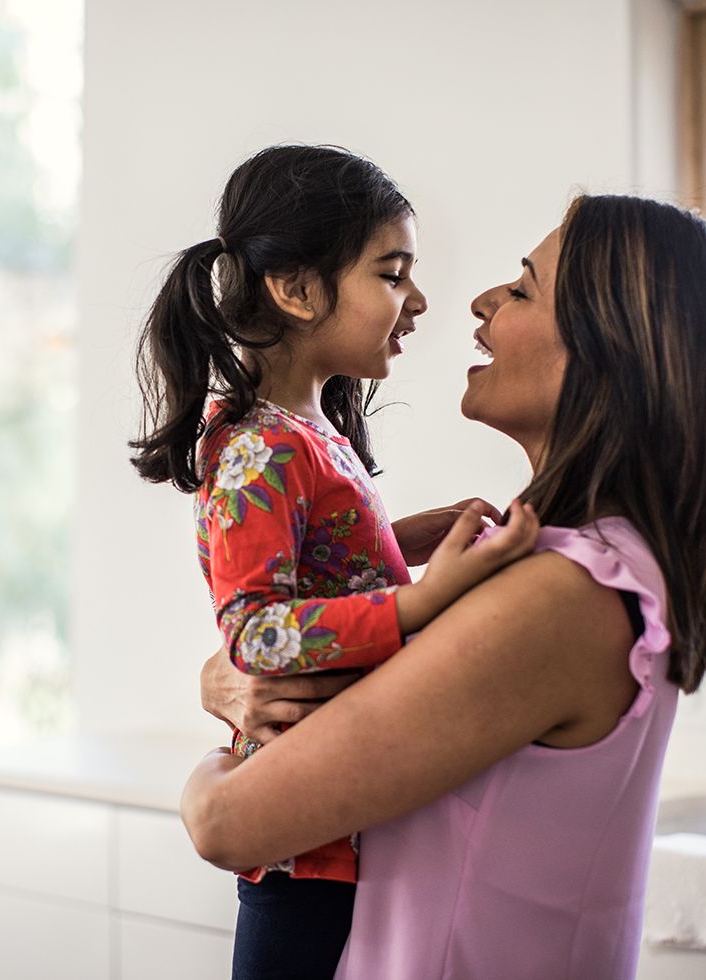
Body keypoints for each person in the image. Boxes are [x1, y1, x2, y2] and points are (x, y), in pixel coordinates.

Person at [183, 194, 706, 979]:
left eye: (523, 290)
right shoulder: (573, 566)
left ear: (609, 352)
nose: (481, 302)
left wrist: (208, 771)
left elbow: (227, 825)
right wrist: (235, 672)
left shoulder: (558, 599)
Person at [129, 144, 540, 979]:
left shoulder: (309, 435)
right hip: (304, 846)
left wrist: (419, 534)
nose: (419, 301)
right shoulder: (260, 449)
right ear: (297, 288)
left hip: (339, 818)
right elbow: (255, 634)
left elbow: (330, 569)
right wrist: (421, 605)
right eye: (392, 274)